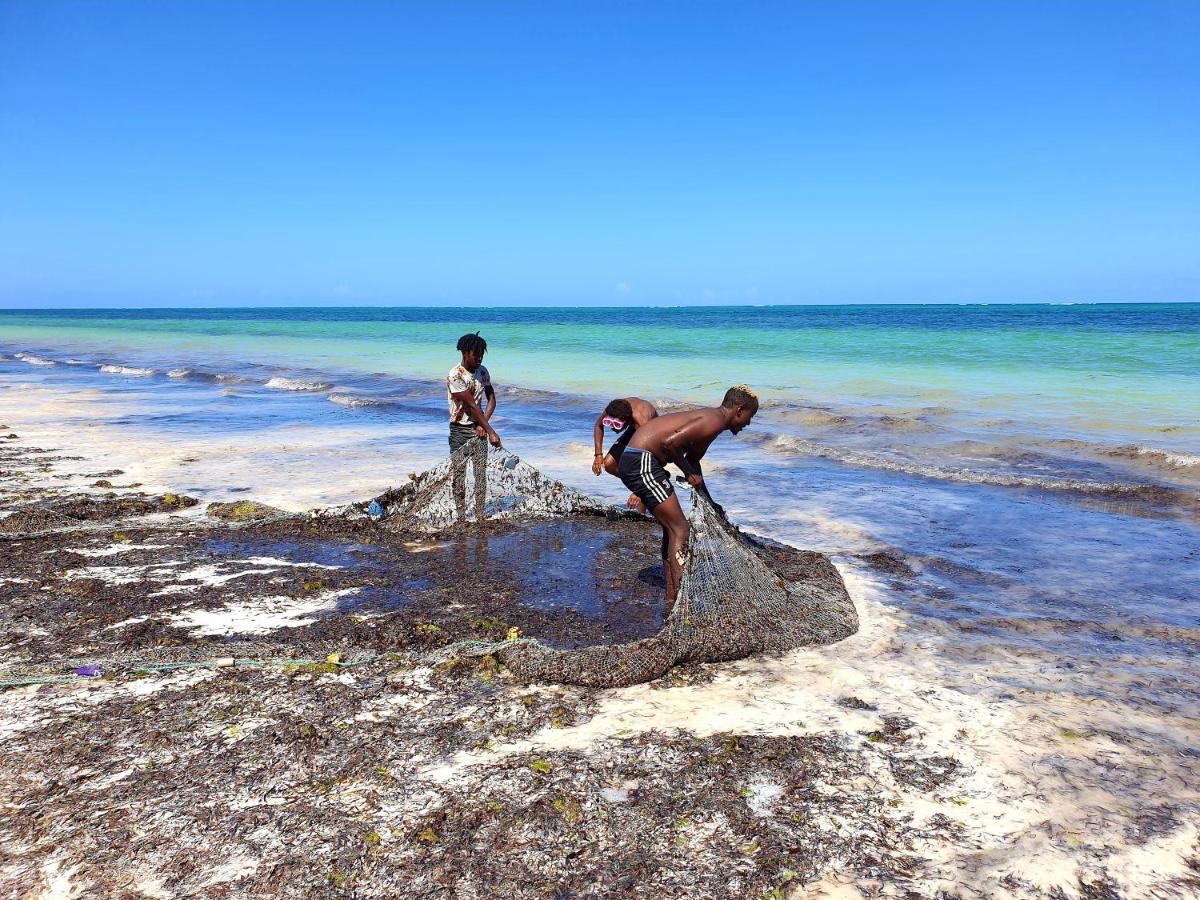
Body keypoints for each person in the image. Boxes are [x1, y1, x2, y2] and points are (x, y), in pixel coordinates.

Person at [617, 385, 758, 612]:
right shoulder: (713, 420)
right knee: (681, 529)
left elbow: (693, 461)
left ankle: (672, 597)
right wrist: (688, 472)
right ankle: (683, 602)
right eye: (750, 418)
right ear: (739, 410)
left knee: (671, 529)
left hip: (640, 460)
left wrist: (709, 501)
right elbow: (669, 444)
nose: (748, 424)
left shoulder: (713, 422)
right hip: (641, 461)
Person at [446, 332, 501, 522]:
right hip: (459, 430)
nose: (479, 358)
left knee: (480, 473)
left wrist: (482, 425)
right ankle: (461, 517)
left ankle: (479, 515)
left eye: (482, 355)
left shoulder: (483, 372)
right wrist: (491, 431)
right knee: (459, 475)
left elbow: (491, 399)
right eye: (476, 354)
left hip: (478, 430)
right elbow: (470, 405)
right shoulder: (456, 375)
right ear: (465, 352)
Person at [591, 396, 658, 510]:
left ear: (626, 420)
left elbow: (653, 455)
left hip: (652, 433)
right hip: (633, 428)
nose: (612, 428)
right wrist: (598, 455)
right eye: (609, 423)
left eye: (617, 425)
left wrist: (639, 490)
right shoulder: (611, 409)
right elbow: (598, 425)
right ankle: (640, 487)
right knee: (609, 464)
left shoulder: (641, 420)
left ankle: (642, 494)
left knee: (640, 480)